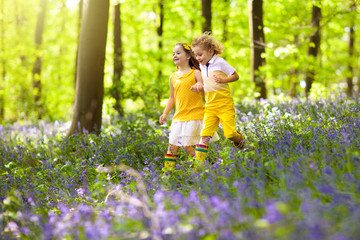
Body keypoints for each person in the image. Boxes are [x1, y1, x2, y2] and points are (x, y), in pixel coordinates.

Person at [159, 42, 218, 172]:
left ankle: (202, 169)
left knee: (187, 146)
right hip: (179, 117)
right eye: (173, 54)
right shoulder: (173, 77)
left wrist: (199, 88)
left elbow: (204, 91)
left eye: (178, 53)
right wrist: (165, 113)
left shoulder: (195, 73)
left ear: (187, 56)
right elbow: (172, 98)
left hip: (194, 115)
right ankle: (168, 174)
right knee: (172, 146)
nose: (175, 55)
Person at [191, 32, 245, 168]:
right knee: (204, 136)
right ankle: (199, 166)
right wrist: (199, 88)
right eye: (195, 55)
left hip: (224, 104)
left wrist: (223, 79)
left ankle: (240, 140)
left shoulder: (220, 62)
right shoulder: (202, 67)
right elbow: (206, 89)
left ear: (210, 51)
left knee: (230, 134)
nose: (197, 58)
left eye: (200, 54)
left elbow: (236, 76)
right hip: (210, 107)